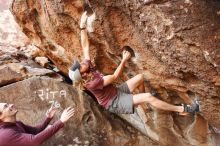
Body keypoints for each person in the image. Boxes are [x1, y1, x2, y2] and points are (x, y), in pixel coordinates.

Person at [68, 11, 199, 114]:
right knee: (148, 96)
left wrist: (82, 26)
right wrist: (124, 60)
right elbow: (114, 77)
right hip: (113, 102)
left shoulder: (86, 67)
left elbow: (85, 46)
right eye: (80, 66)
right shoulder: (91, 83)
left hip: (116, 91)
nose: (81, 63)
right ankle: (183, 110)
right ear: (83, 75)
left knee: (140, 78)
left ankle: (140, 100)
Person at [0, 102, 74, 146]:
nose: (11, 104)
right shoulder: (5, 134)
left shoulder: (16, 123)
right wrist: (60, 121)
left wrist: (48, 118)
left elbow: (35, 131)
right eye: (6, 106)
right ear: (1, 116)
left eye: (7, 104)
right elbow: (34, 141)